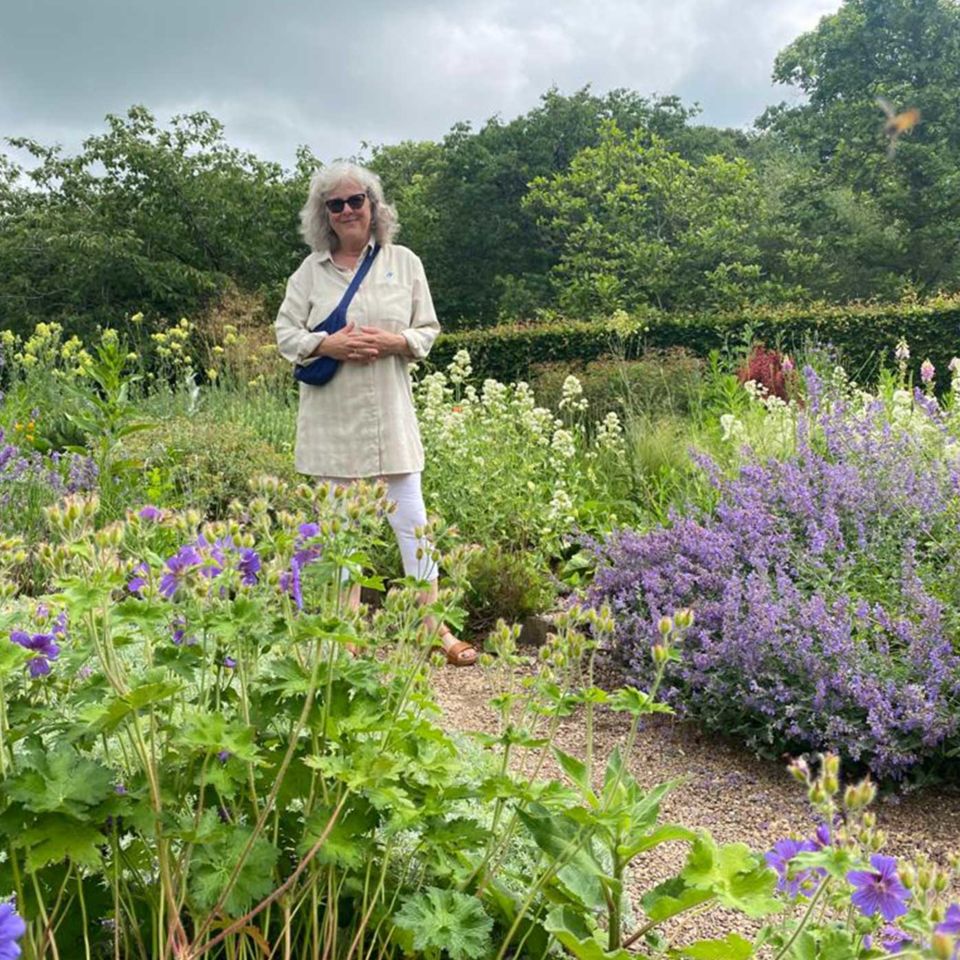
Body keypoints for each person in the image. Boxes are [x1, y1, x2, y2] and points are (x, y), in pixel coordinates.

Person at [274, 162, 477, 666]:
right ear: (324, 215)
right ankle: (344, 635)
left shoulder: (404, 263)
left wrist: (394, 341)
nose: (346, 211)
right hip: (331, 426)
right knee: (340, 538)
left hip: (391, 424)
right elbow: (285, 337)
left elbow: (427, 330)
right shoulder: (308, 273)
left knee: (415, 528)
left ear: (373, 205)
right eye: (335, 204)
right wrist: (330, 344)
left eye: (355, 201)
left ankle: (434, 629)